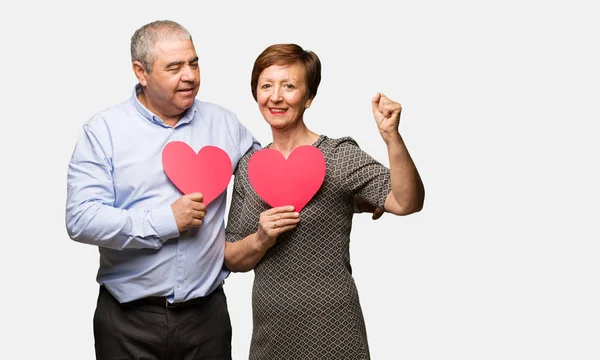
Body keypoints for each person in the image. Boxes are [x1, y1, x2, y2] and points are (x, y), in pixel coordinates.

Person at [65, 20, 261, 359]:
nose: (190, 75)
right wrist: (165, 221)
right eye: (174, 67)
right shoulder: (103, 131)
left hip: (207, 320)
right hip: (127, 323)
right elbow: (81, 219)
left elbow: (267, 174)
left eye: (194, 63)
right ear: (141, 72)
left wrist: (352, 190)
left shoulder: (225, 124)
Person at [224, 44, 425, 359]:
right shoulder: (249, 167)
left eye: (288, 86)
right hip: (271, 333)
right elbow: (232, 258)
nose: (275, 96)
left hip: (335, 329)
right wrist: (261, 239)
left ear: (308, 98)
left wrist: (391, 137)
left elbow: (406, 201)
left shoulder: (338, 155)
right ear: (256, 93)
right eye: (266, 85)